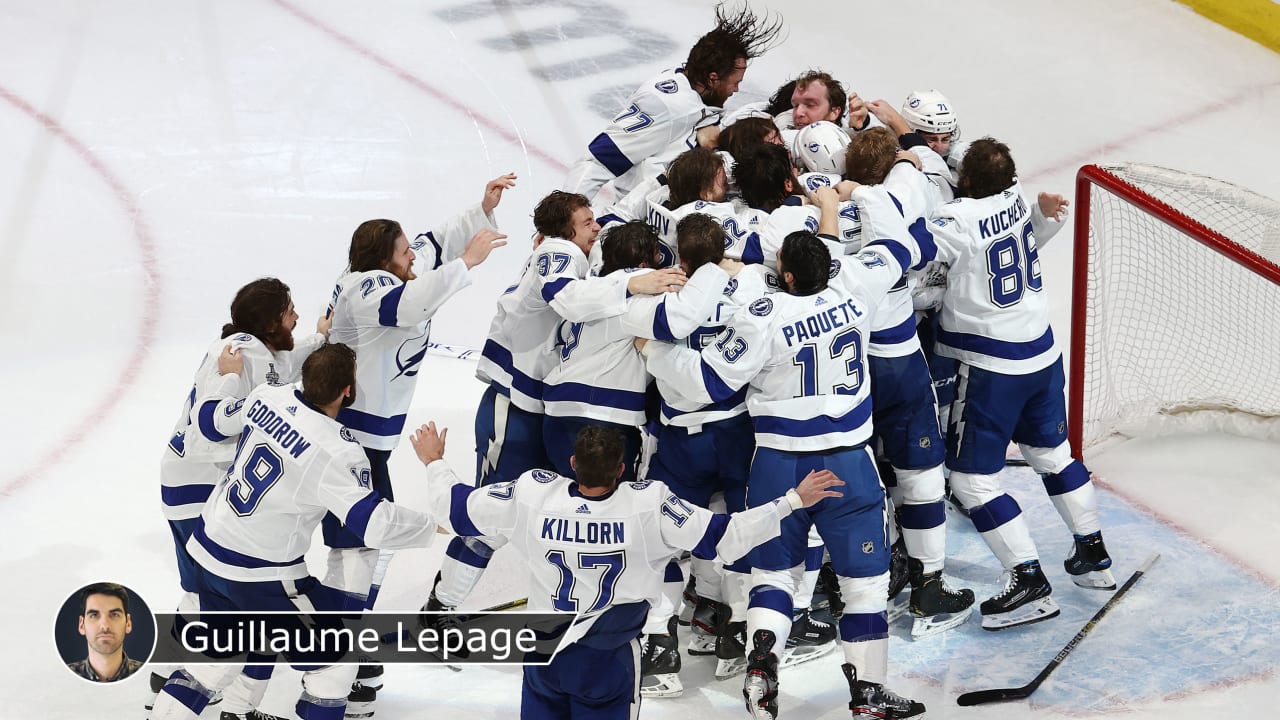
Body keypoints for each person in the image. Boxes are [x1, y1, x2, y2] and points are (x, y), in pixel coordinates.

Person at [638, 185, 932, 719]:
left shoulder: (762, 313)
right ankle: (868, 693)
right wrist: (856, 196)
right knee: (864, 587)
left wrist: (655, 350)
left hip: (778, 463)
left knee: (773, 577)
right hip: (848, 463)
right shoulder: (854, 290)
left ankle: (761, 667)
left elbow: (706, 381)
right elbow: (899, 249)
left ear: (786, 275)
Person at [408, 422, 843, 720]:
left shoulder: (532, 492)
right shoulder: (648, 503)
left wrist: (433, 461)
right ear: (621, 469)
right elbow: (726, 537)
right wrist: (791, 501)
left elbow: (458, 510)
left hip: (542, 653)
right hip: (608, 656)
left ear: (573, 463)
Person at [431, 191, 685, 638]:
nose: (596, 228)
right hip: (514, 403)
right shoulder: (557, 249)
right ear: (564, 230)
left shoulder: (580, 261)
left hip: (544, 406)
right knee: (492, 512)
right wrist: (633, 283)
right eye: (587, 222)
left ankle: (568, 601)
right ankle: (440, 607)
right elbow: (565, 297)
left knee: (565, 512)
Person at [149, 344, 448, 720]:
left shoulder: (266, 397)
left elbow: (209, 421)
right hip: (260, 578)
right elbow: (374, 524)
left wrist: (228, 375)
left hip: (209, 552)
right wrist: (433, 524)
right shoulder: (337, 451)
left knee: (212, 663)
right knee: (338, 656)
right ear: (348, 391)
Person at [322, 175, 511, 711]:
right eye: (402, 252)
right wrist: (467, 264)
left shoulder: (391, 269)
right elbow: (406, 305)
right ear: (384, 261)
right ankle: (345, 657)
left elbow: (429, 246)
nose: (413, 256)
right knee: (357, 549)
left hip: (367, 441)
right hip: (350, 442)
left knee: (365, 547)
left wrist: (481, 208)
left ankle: (348, 646)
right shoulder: (368, 288)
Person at [926, 137, 1115, 631]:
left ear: (964, 181)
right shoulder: (1014, 198)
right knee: (1054, 456)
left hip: (990, 365)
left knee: (970, 482)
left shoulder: (956, 218)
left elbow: (914, 253)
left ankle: (1028, 581)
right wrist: (1044, 215)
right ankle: (1093, 552)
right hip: (1042, 353)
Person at [153, 277, 328, 719]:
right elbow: (213, 423)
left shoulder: (252, 346)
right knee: (226, 595)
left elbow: (280, 370)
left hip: (191, 480)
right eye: (290, 309)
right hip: (200, 485)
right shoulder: (241, 353)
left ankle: (174, 680)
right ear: (270, 323)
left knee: (209, 590)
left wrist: (318, 339)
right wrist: (232, 385)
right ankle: (188, 687)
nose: (296, 314)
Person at [842, 127, 976, 638]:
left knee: (858, 474)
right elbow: (920, 251)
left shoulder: (822, 210)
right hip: (895, 358)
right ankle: (928, 584)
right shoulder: (891, 205)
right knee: (920, 471)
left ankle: (849, 584)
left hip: (844, 367)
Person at [542, 220, 732, 484]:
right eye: (657, 254)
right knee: (606, 511)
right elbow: (679, 318)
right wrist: (714, 268)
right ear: (643, 265)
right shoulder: (635, 290)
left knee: (567, 507)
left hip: (559, 414)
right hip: (598, 418)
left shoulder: (598, 285)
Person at [562, 2, 783, 201]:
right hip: (640, 221)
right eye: (734, 83)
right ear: (713, 79)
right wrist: (564, 223)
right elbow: (597, 161)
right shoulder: (667, 105)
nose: (736, 89)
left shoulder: (694, 92)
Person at [67, 583, 143, 682]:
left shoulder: (146, 674)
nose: (105, 626)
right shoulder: (62, 678)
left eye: (114, 615)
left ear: (128, 623)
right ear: (81, 625)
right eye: (94, 615)